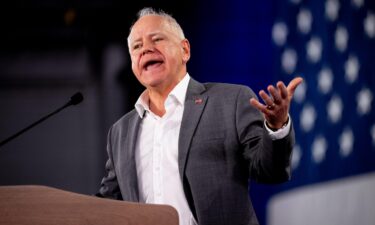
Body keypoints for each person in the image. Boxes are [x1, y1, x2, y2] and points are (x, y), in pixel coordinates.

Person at [96, 7, 303, 225]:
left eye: (156, 39)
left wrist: (276, 127)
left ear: (185, 50)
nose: (146, 49)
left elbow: (271, 172)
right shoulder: (120, 132)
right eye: (137, 46)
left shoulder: (230, 101)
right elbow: (107, 203)